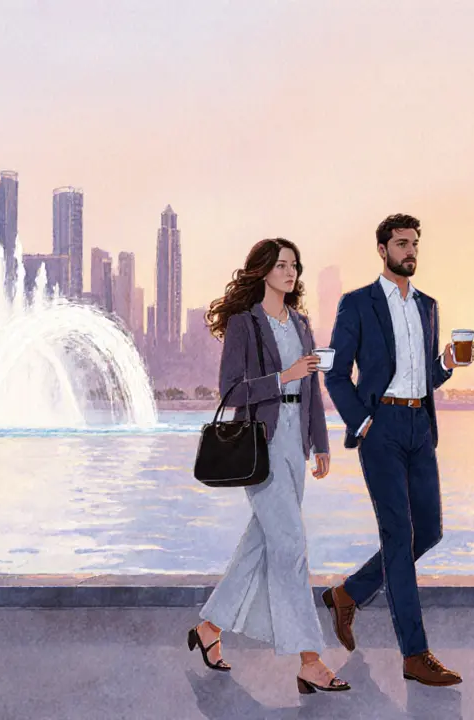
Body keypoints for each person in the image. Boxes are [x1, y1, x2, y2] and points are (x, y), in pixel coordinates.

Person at [187, 238, 350, 694]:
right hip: (261, 443)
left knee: (260, 544)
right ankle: (310, 660)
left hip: (296, 441)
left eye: (294, 265)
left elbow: (313, 387)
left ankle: (209, 629)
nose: (290, 272)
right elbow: (231, 391)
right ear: (261, 271)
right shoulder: (245, 323)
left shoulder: (300, 322)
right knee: (291, 546)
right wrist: (284, 378)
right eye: (281, 265)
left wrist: (320, 442)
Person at [321, 213, 474, 687]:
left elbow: (425, 375)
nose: (410, 251)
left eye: (414, 245)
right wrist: (362, 421)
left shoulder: (428, 306)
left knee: (427, 531)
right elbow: (335, 373)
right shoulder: (358, 304)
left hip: (419, 425)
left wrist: (446, 363)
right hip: (381, 426)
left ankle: (349, 594)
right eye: (401, 243)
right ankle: (414, 653)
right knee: (398, 532)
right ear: (382, 249)